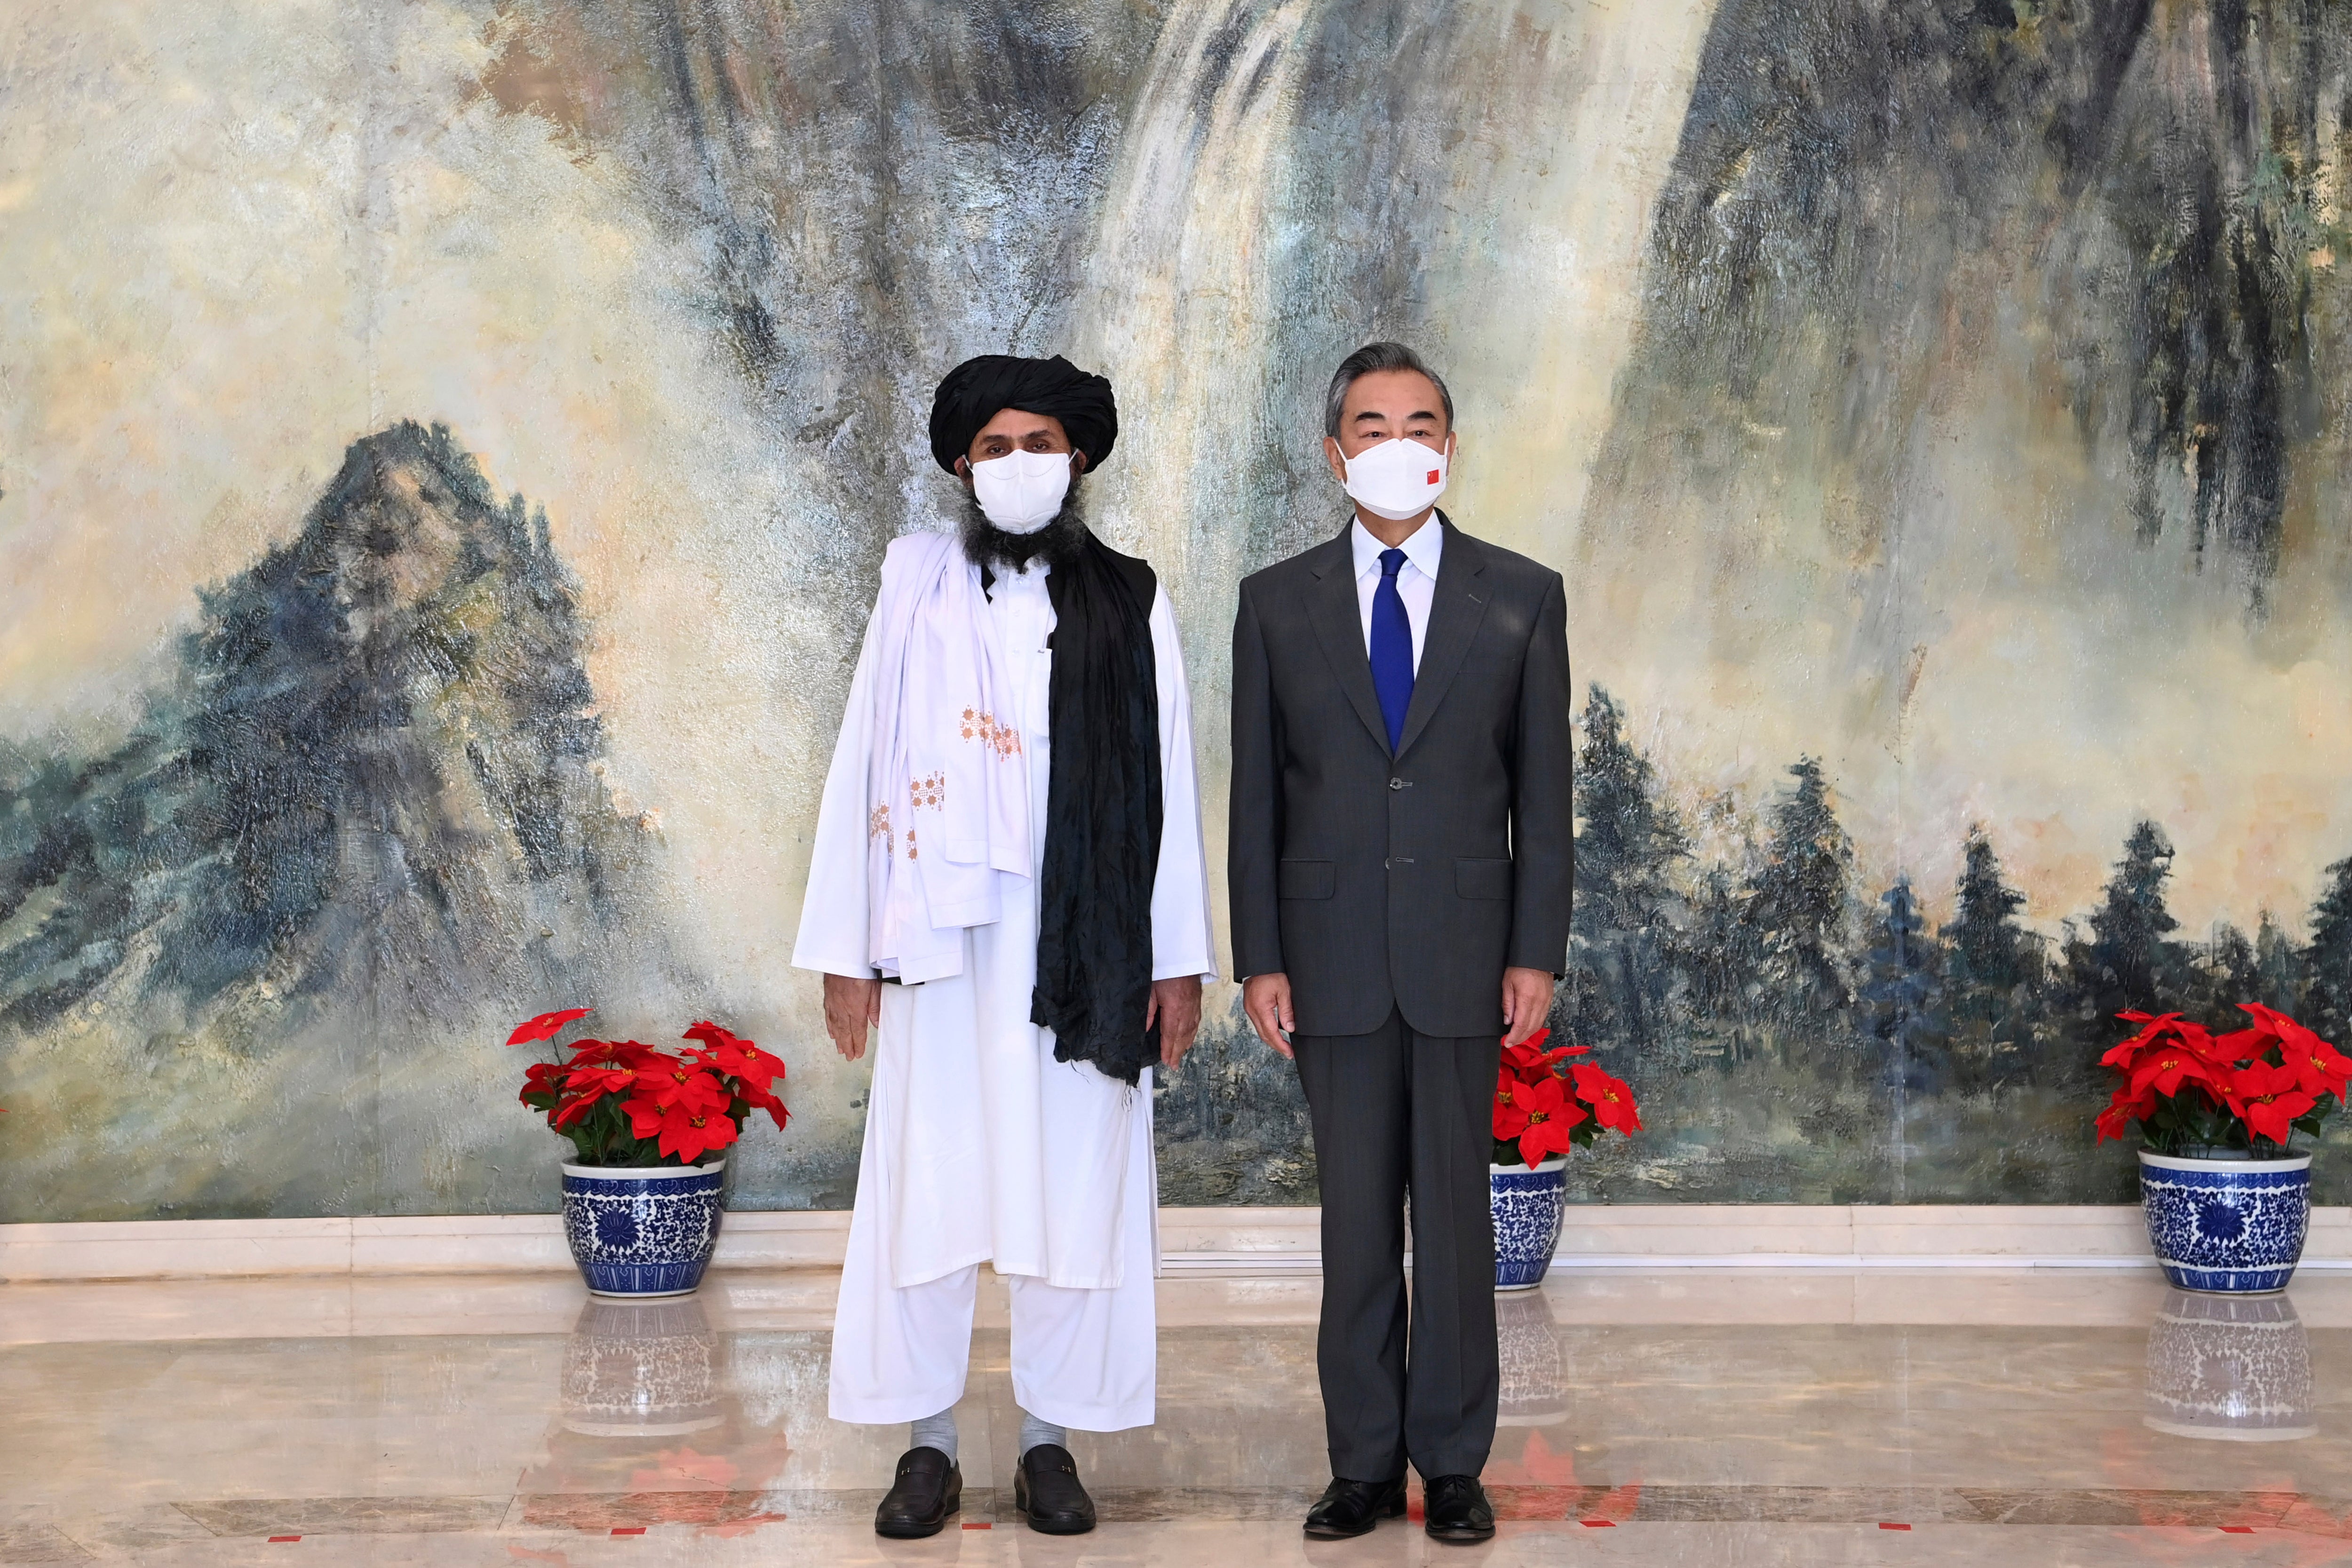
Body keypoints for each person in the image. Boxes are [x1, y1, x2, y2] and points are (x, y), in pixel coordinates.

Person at [792, 354, 1215, 1539]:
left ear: (1076, 458)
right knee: (928, 1182)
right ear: (964, 467)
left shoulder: (1130, 597)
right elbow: (863, 757)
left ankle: (1050, 1440)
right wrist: (846, 948)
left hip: (1084, 944)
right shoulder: (914, 586)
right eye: (993, 446)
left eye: (1039, 442)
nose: (1018, 462)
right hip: (937, 936)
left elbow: (1169, 785)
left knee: (1070, 1183)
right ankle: (923, 1444)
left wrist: (1176, 957)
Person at [1227, 341, 1573, 1544]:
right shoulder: (1275, 602)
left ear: (1451, 446)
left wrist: (1535, 948)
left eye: (1419, 423)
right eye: (1370, 427)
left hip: (1466, 953)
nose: (1396, 445)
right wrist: (1259, 955)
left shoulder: (1521, 595)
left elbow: (1543, 787)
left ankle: (1456, 1462)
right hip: (1327, 960)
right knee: (1355, 1222)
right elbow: (1257, 797)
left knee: (1458, 1227)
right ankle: (1363, 1463)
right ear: (1335, 455)